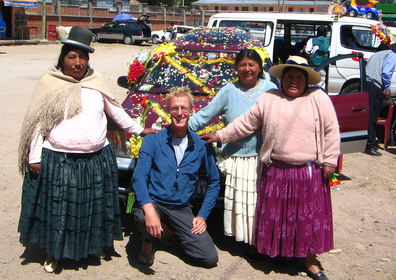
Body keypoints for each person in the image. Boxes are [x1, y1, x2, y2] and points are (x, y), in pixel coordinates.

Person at [17, 26, 156, 273]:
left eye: (83, 57)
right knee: (59, 212)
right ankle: (54, 253)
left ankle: (90, 249)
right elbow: (37, 123)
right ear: (62, 58)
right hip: (59, 160)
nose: (78, 62)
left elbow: (116, 112)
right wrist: (35, 156)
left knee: (90, 210)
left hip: (95, 159)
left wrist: (139, 130)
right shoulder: (51, 83)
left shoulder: (96, 83)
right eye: (72, 57)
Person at [202, 56, 340, 280]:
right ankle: (280, 252)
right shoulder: (270, 98)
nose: (293, 81)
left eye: (298, 77)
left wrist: (329, 161)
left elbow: (331, 131)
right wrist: (219, 135)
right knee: (279, 217)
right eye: (289, 77)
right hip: (276, 169)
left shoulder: (318, 98)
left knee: (308, 218)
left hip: (308, 170)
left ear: (306, 81)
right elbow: (246, 123)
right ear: (281, 80)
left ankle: (310, 261)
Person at [188, 48, 276, 251]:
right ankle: (245, 242)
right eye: (242, 65)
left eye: (251, 65)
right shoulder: (229, 91)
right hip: (236, 157)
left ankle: (259, 243)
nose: (247, 69)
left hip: (261, 158)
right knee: (241, 205)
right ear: (236, 68)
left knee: (258, 203)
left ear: (259, 67)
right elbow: (205, 115)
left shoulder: (270, 89)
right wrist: (177, 128)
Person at [131, 86, 220, 268]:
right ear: (168, 110)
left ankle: (170, 231)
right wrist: (148, 209)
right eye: (175, 108)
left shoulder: (201, 145)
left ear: (191, 111)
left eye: (184, 108)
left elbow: (214, 182)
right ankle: (148, 241)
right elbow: (139, 177)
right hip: (155, 202)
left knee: (209, 258)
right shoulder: (154, 140)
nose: (179, 113)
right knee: (141, 216)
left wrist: (202, 216)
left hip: (181, 208)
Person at [364, 43, 396, 156]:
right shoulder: (393, 55)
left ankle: (370, 141)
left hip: (367, 84)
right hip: (375, 86)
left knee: (370, 115)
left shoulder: (378, 54)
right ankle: (369, 145)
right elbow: (386, 73)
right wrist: (387, 89)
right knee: (373, 117)